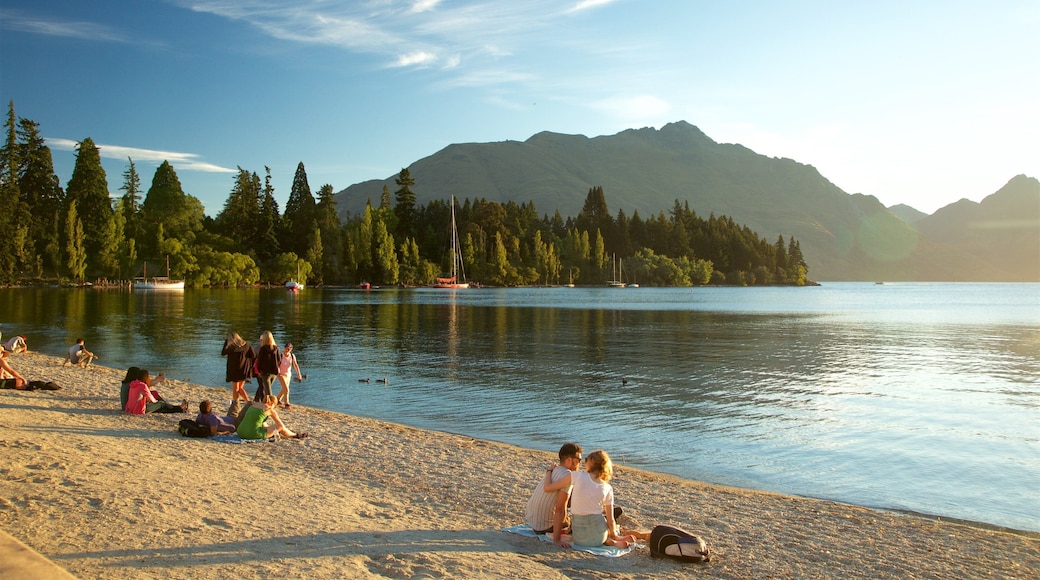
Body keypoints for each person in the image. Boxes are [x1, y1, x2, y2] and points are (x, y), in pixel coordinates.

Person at [556, 450, 636, 549]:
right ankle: (612, 540)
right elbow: (610, 520)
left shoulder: (578, 476)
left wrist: (549, 472)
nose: (584, 463)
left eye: (586, 460)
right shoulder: (607, 488)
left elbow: (552, 487)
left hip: (579, 538)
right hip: (599, 536)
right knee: (605, 519)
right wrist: (615, 534)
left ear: (591, 462)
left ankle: (611, 541)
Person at [525, 443, 582, 537]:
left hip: (533, 522)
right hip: (545, 526)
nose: (580, 463)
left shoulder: (553, 470)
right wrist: (558, 538)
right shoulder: (568, 476)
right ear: (569, 460)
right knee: (577, 522)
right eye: (578, 460)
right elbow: (560, 509)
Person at [236, 394, 307, 440]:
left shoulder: (254, 405)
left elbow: (259, 421)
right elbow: (280, 425)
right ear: (272, 403)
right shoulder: (269, 409)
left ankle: (275, 433)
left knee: (261, 422)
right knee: (280, 426)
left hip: (240, 431)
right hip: (252, 433)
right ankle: (295, 435)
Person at [221, 332, 255, 402]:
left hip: (234, 369)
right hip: (244, 369)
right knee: (240, 388)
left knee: (235, 389)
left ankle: (235, 402)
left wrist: (225, 343)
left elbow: (223, 353)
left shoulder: (232, 347)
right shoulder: (247, 345)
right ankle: (248, 401)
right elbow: (253, 355)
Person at [253, 331, 280, 402]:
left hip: (265, 372)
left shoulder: (263, 349)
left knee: (267, 390)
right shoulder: (276, 348)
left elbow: (260, 361)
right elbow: (279, 360)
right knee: (267, 387)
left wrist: (258, 371)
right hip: (274, 371)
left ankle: (268, 403)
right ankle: (259, 399)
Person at [275, 342, 304, 409]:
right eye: (286, 348)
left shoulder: (292, 356)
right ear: (284, 348)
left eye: (289, 349)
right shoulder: (281, 355)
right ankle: (286, 403)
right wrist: (278, 370)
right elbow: (277, 365)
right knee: (286, 389)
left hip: (288, 374)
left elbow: (295, 365)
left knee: (284, 389)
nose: (287, 350)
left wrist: (299, 374)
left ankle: (277, 399)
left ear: (291, 349)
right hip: (280, 374)